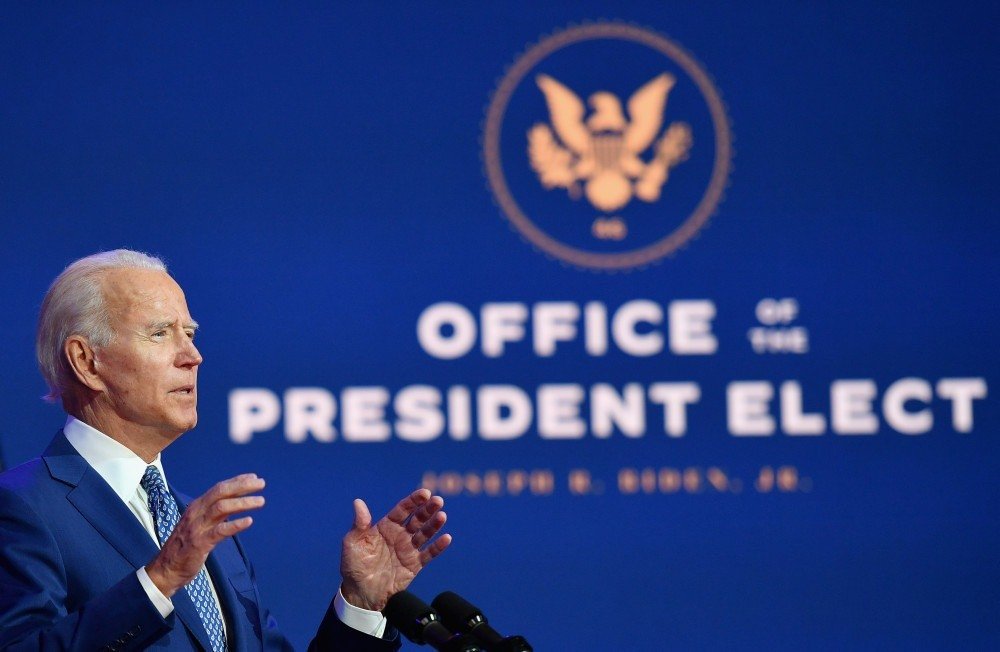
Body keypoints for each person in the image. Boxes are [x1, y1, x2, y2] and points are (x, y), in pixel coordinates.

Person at [0, 250, 452, 650]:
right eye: (160, 334)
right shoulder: (22, 506)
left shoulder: (204, 531)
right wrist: (159, 580)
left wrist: (360, 605)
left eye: (190, 333)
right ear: (86, 361)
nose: (192, 356)